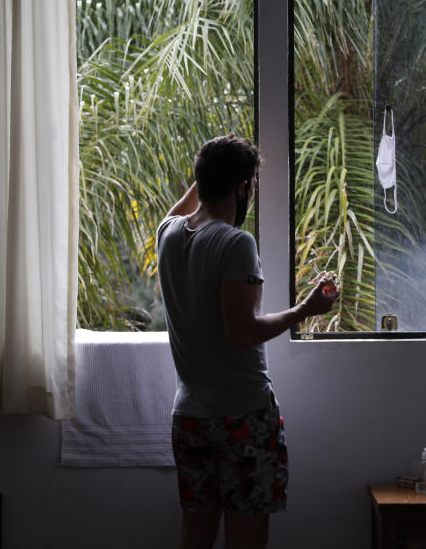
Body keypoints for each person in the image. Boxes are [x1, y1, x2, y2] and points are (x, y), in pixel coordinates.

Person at [156, 134, 340, 549]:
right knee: (247, 538)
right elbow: (242, 334)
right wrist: (303, 311)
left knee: (195, 535)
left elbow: (184, 207)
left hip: (189, 417)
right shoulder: (235, 242)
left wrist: (213, 170)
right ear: (242, 188)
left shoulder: (168, 234)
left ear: (201, 182)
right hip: (242, 417)